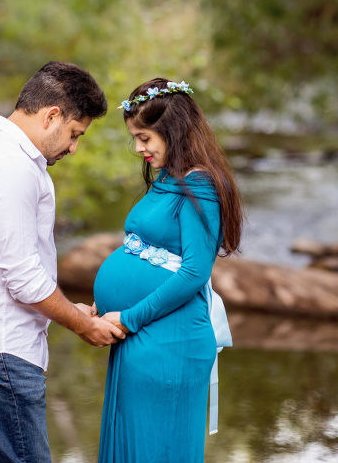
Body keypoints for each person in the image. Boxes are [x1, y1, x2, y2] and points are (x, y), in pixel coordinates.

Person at [0, 61, 126, 463]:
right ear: (52, 115)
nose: (74, 148)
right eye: (75, 134)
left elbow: (14, 266)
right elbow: (23, 279)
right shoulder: (12, 166)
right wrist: (83, 325)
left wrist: (67, 307)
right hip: (0, 352)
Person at [92, 78, 243, 462]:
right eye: (135, 138)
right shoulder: (167, 178)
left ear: (172, 130)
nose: (139, 148)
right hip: (144, 336)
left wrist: (129, 317)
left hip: (167, 341)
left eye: (145, 138)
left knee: (156, 450)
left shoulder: (201, 185)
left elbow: (194, 272)